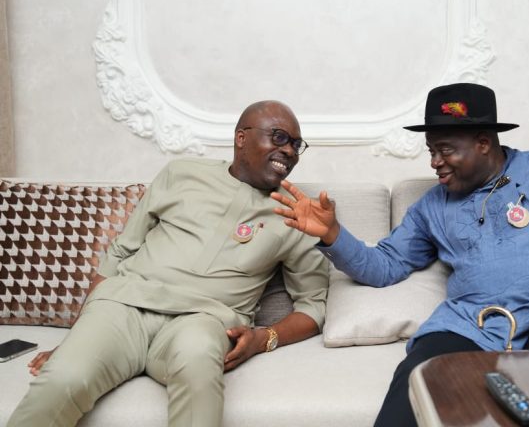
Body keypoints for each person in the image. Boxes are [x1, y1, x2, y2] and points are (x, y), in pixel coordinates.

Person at [271, 83, 529, 426]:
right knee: (416, 378)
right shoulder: (431, 207)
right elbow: (384, 267)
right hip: (471, 323)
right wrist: (333, 235)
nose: (435, 162)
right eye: (431, 151)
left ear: (483, 143)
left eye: (445, 150)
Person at [8, 101, 329, 427]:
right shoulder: (181, 173)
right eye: (279, 137)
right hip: (125, 306)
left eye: (296, 144)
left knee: (199, 373)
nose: (289, 151)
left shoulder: (297, 214)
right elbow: (120, 252)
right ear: (241, 138)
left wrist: (264, 338)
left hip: (204, 321)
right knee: (63, 378)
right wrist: (74, 341)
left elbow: (314, 306)